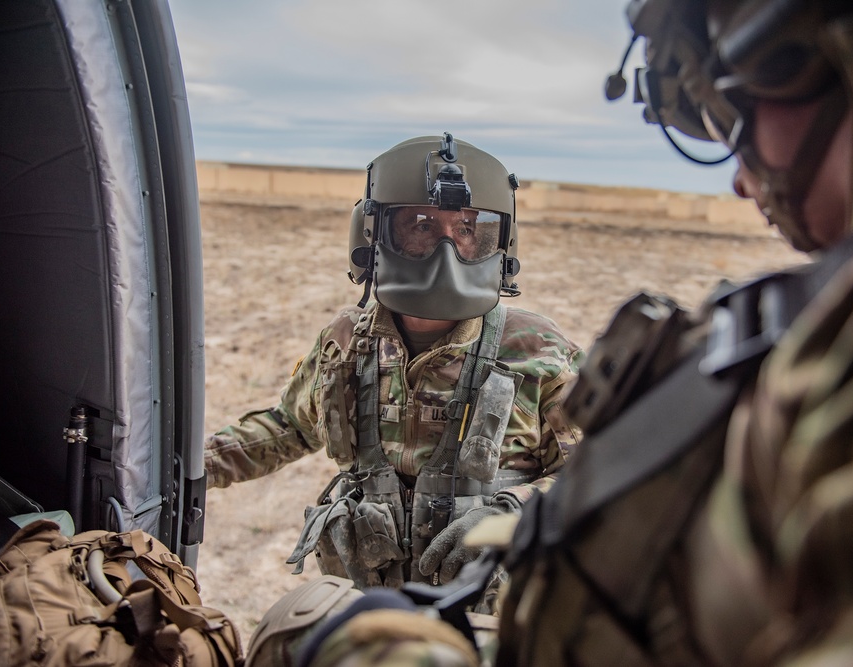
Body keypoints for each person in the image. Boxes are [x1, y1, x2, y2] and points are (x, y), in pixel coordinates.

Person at [252, 1, 853, 665]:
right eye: (417, 228)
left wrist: (370, 649)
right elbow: (292, 420)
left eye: (737, 112)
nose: (739, 177)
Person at [204, 133, 583, 595]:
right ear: (375, 234)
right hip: (372, 600)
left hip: (491, 608)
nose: (448, 248)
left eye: (465, 229)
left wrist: (513, 513)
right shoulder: (346, 342)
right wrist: (192, 467)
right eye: (422, 226)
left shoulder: (536, 349)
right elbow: (291, 427)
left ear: (496, 243)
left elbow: (598, 470)